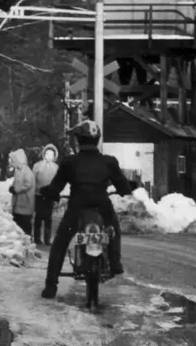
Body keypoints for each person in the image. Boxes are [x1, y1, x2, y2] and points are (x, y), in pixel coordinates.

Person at [37, 120, 134, 299]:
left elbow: (55, 187)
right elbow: (124, 186)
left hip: (77, 207)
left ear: (79, 140)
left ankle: (51, 285)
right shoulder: (109, 162)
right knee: (114, 230)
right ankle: (115, 265)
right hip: (102, 206)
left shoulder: (69, 162)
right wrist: (125, 189)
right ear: (97, 139)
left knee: (60, 243)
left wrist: (48, 193)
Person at [32, 143, 59, 245]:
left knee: (48, 218)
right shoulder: (37, 165)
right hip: (39, 195)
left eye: (51, 154)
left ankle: (47, 239)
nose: (49, 156)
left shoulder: (56, 167)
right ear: (44, 154)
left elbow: (58, 182)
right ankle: (37, 238)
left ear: (54, 156)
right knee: (38, 217)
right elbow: (33, 180)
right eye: (47, 154)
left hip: (50, 196)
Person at [8, 148, 36, 235]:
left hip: (25, 204)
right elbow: (17, 182)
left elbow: (28, 184)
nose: (11, 162)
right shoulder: (19, 170)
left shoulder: (26, 171)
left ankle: (27, 242)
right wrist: (12, 187)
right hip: (19, 205)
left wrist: (16, 189)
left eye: (13, 160)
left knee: (25, 226)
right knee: (19, 225)